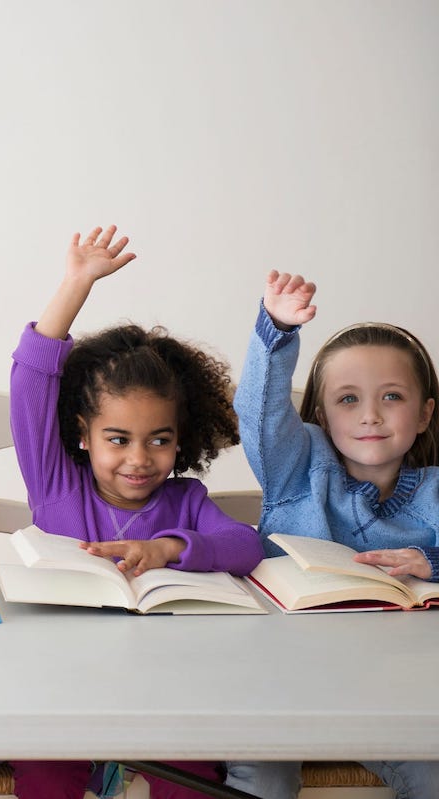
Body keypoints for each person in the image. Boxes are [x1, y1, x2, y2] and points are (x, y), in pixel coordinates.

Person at [8, 225, 264, 799]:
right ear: (82, 434)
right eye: (118, 439)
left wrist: (169, 548)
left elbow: (247, 547)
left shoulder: (186, 502)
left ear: (182, 437)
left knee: (194, 776)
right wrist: (76, 284)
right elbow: (31, 379)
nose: (139, 460)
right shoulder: (56, 488)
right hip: (62, 691)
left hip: (167, 694)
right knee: (45, 775)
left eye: (159, 440)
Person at [226, 271, 439, 798]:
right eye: (348, 399)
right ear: (321, 413)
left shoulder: (434, 491)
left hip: (392, 695)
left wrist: (430, 561)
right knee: (263, 780)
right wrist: (276, 330)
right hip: (280, 684)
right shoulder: (297, 467)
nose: (370, 414)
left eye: (392, 396)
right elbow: (257, 414)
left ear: (425, 413)